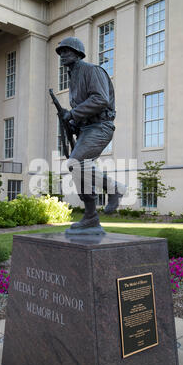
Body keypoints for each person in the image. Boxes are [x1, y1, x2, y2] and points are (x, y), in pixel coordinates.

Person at [55, 37, 126, 232]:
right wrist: (70, 121)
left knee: (75, 163)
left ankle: (114, 188)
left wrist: (73, 114)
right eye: (60, 52)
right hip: (86, 129)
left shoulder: (92, 70)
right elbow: (80, 111)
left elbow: (100, 99)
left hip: (101, 127)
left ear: (78, 53)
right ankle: (91, 216)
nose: (62, 55)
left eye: (67, 51)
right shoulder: (74, 77)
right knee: (77, 170)